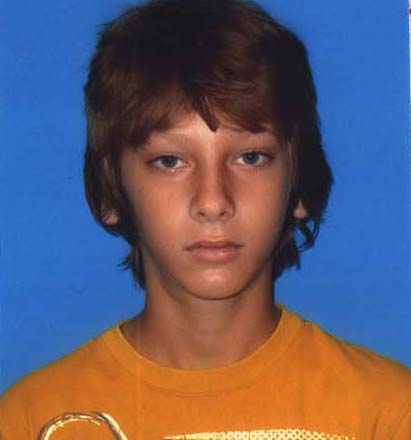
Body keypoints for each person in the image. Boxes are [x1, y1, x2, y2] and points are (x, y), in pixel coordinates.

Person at [1, 0, 410, 438]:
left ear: (300, 181)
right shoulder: (32, 420)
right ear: (111, 190)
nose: (213, 202)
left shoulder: (387, 415)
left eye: (250, 157)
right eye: (169, 161)